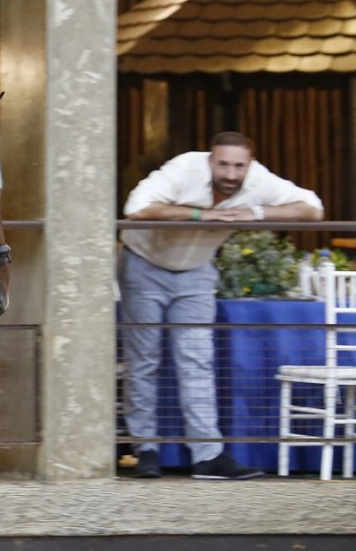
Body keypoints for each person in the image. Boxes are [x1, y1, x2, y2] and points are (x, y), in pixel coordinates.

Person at [120, 130, 324, 480]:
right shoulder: (184, 168)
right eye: (223, 164)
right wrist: (201, 215)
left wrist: (255, 213)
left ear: (250, 165)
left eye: (238, 166)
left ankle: (207, 455)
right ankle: (147, 449)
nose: (230, 174)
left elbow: (313, 209)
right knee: (145, 359)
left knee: (197, 360)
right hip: (143, 264)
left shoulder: (258, 179)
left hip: (197, 270)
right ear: (209, 160)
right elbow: (136, 208)